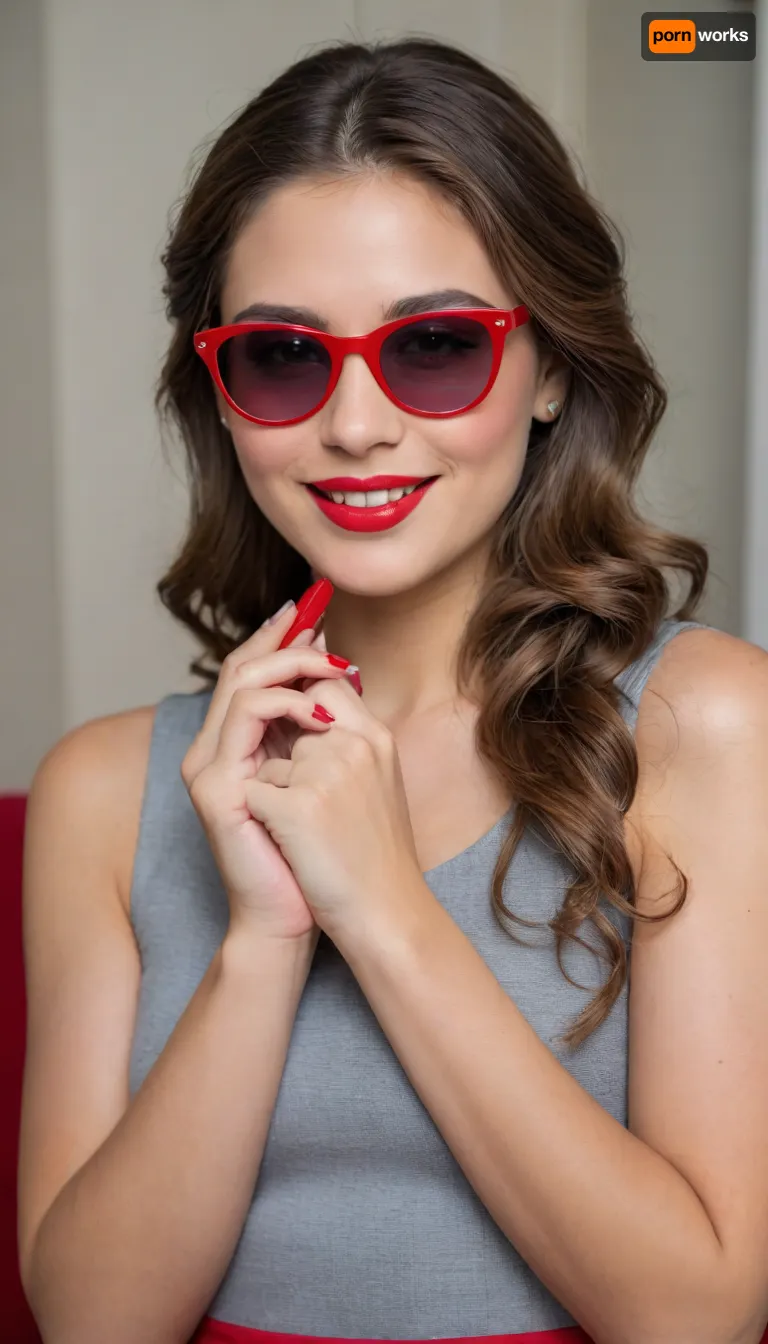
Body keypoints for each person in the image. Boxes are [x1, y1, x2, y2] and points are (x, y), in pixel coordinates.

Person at [16, 35, 768, 1344]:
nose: (356, 425)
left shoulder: (706, 726)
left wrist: (384, 909)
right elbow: (91, 1322)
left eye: (432, 345)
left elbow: (695, 1318)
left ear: (548, 372)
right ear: (222, 393)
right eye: (283, 357)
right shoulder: (105, 789)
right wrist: (263, 940)